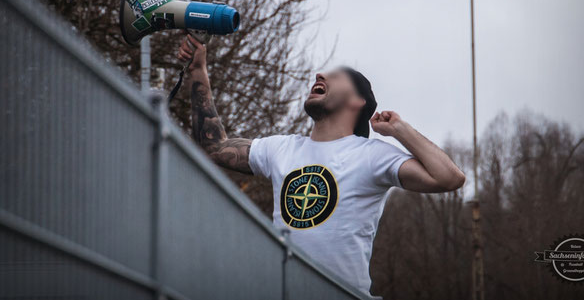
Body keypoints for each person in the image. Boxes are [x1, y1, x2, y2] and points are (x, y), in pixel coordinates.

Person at [177, 34, 466, 296]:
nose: (319, 74)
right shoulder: (281, 148)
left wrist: (400, 129)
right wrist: (198, 72)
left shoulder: (372, 155)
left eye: (335, 76)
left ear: (357, 100)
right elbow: (214, 147)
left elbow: (449, 179)